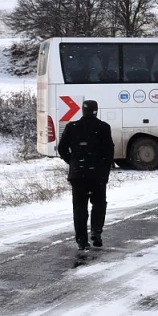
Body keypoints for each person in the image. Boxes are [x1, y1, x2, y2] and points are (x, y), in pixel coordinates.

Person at [57, 100, 114, 250]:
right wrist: (105, 172)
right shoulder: (103, 127)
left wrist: (72, 161)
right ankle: (96, 231)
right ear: (96, 110)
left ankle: (82, 240)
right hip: (97, 173)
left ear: (82, 111)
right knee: (99, 204)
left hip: (78, 173)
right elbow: (109, 153)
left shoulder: (72, 127)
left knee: (79, 207)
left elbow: (62, 148)